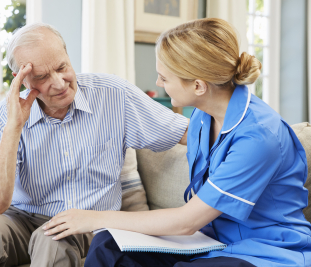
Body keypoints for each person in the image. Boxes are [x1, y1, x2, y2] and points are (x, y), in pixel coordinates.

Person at [44, 18, 311, 267]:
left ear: (198, 86)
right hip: (210, 240)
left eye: (165, 77)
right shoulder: (201, 118)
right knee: (108, 246)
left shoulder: (260, 137)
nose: (158, 83)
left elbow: (187, 221)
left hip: (262, 250)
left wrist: (93, 217)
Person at [0, 22, 189, 267]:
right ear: (22, 80)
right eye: (42, 77)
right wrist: (14, 126)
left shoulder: (113, 95)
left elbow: (184, 131)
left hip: (86, 222)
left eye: (61, 67)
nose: (59, 83)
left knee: (53, 237)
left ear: (68, 56)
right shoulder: (4, 116)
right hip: (23, 219)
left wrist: (232, 131)